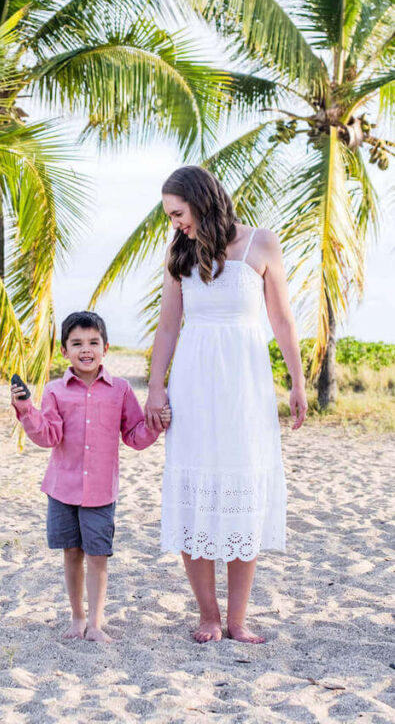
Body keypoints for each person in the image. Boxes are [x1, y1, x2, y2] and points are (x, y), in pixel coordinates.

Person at [144, 166, 308, 644]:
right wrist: (156, 387)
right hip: (193, 385)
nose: (175, 223)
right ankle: (208, 616)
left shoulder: (262, 243)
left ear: (201, 200)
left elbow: (281, 317)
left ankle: (238, 619)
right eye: (170, 216)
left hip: (245, 388)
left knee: (243, 493)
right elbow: (168, 327)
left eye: (178, 213)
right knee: (194, 494)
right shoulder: (179, 253)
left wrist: (297, 381)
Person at [12, 310, 170, 643]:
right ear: (64, 351)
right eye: (77, 343)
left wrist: (157, 423)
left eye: (93, 342)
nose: (86, 349)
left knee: (98, 557)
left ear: (106, 347)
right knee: (71, 553)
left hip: (100, 491)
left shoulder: (121, 390)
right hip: (62, 489)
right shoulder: (55, 391)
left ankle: (96, 623)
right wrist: (27, 411)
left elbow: (134, 435)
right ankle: (77, 617)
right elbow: (48, 437)